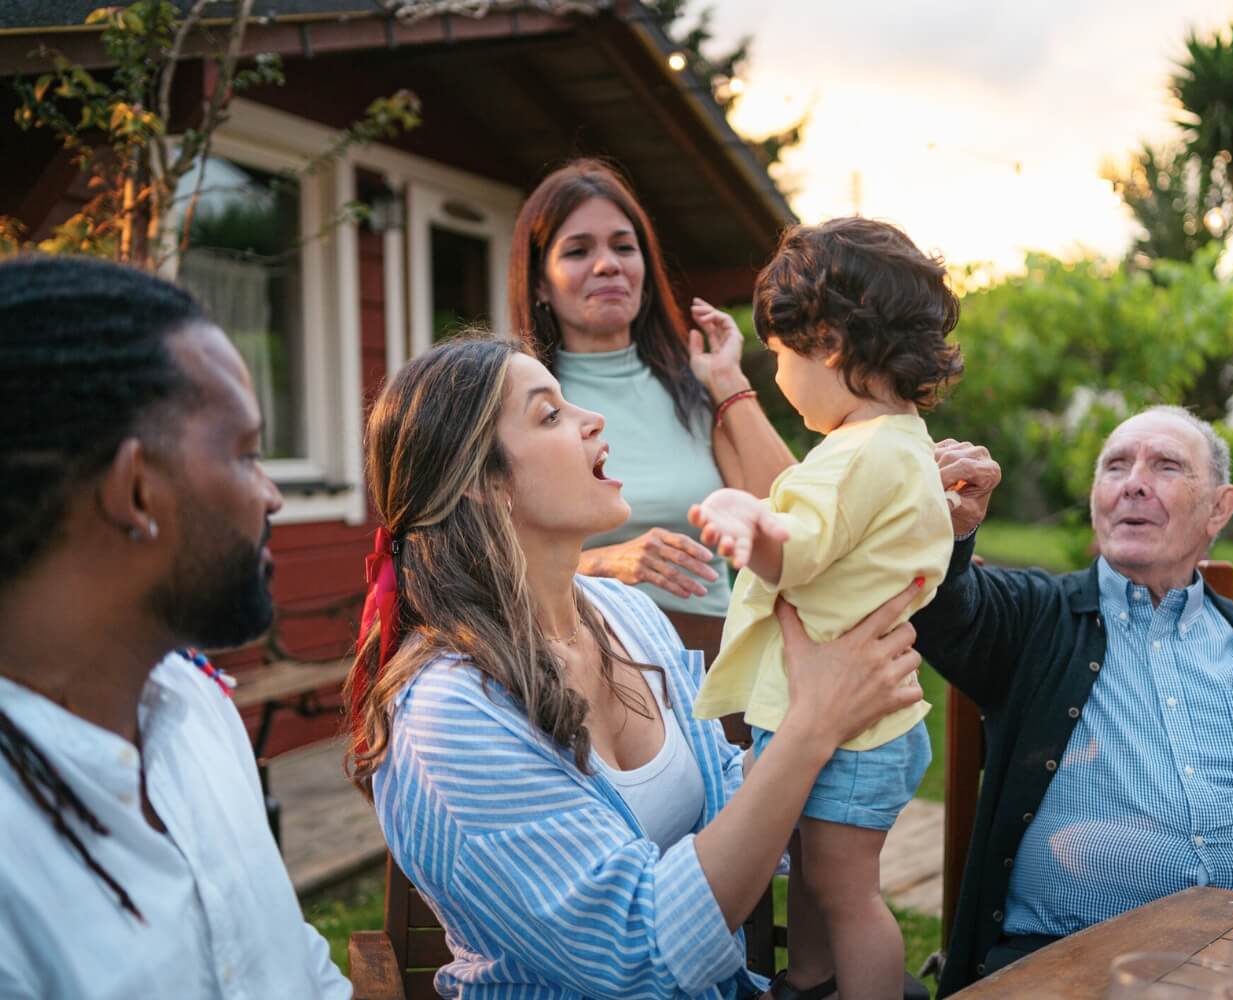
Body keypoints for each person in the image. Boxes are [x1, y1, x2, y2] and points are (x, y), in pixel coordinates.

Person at [344, 333, 926, 999]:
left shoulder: (625, 614)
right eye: (550, 415)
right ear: (483, 484)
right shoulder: (447, 714)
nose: (592, 420)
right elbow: (636, 954)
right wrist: (812, 727)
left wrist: (914, 522)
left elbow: (731, 804)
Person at [914, 407, 1233, 998]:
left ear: (1220, 507)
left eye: (1166, 466)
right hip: (1065, 972)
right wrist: (951, 531)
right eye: (1116, 465)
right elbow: (946, 608)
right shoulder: (1035, 619)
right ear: (1096, 500)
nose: (1134, 481)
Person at [0, 255, 350, 998]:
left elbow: (298, 966)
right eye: (248, 454)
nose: (271, 498)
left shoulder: (196, 713)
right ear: (136, 490)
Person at [690, 217, 964, 1000]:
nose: (776, 376)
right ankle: (807, 980)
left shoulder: (856, 455)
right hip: (864, 721)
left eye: (778, 354)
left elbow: (798, 548)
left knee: (847, 898)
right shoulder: (902, 440)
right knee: (813, 878)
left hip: (846, 729)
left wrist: (749, 523)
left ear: (831, 343)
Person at [509, 158, 795, 664]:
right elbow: (482, 563)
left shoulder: (693, 390)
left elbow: (793, 514)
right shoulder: (518, 403)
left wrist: (726, 381)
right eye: (578, 250)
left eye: (624, 246)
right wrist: (603, 563)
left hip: (709, 658)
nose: (607, 264)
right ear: (539, 284)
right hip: (576, 662)